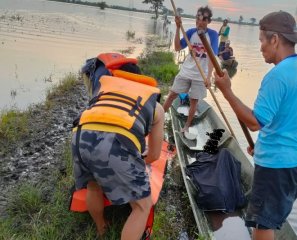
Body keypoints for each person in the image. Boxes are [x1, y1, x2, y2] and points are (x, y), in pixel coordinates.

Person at [214, 11, 297, 240]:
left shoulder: (277, 76)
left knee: (263, 224)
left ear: (275, 39)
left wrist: (227, 91)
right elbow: (292, 118)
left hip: (279, 166)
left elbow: (254, 123)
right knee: (270, 217)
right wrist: (264, 146)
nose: (260, 47)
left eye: (262, 40)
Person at [72, 53, 165, 239]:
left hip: (80, 135)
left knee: (93, 187)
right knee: (141, 207)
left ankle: (101, 228)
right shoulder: (155, 105)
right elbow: (154, 155)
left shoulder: (104, 91)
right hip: (116, 141)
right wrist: (135, 162)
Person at [162, 6, 218, 132]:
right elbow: (177, 48)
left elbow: (212, 58)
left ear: (209, 21)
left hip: (201, 75)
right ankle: (158, 118)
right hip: (186, 71)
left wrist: (208, 77)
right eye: (198, 18)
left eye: (204, 19)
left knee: (194, 101)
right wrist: (177, 28)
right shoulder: (191, 32)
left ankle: (186, 126)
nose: (200, 22)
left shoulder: (213, 35)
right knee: (171, 95)